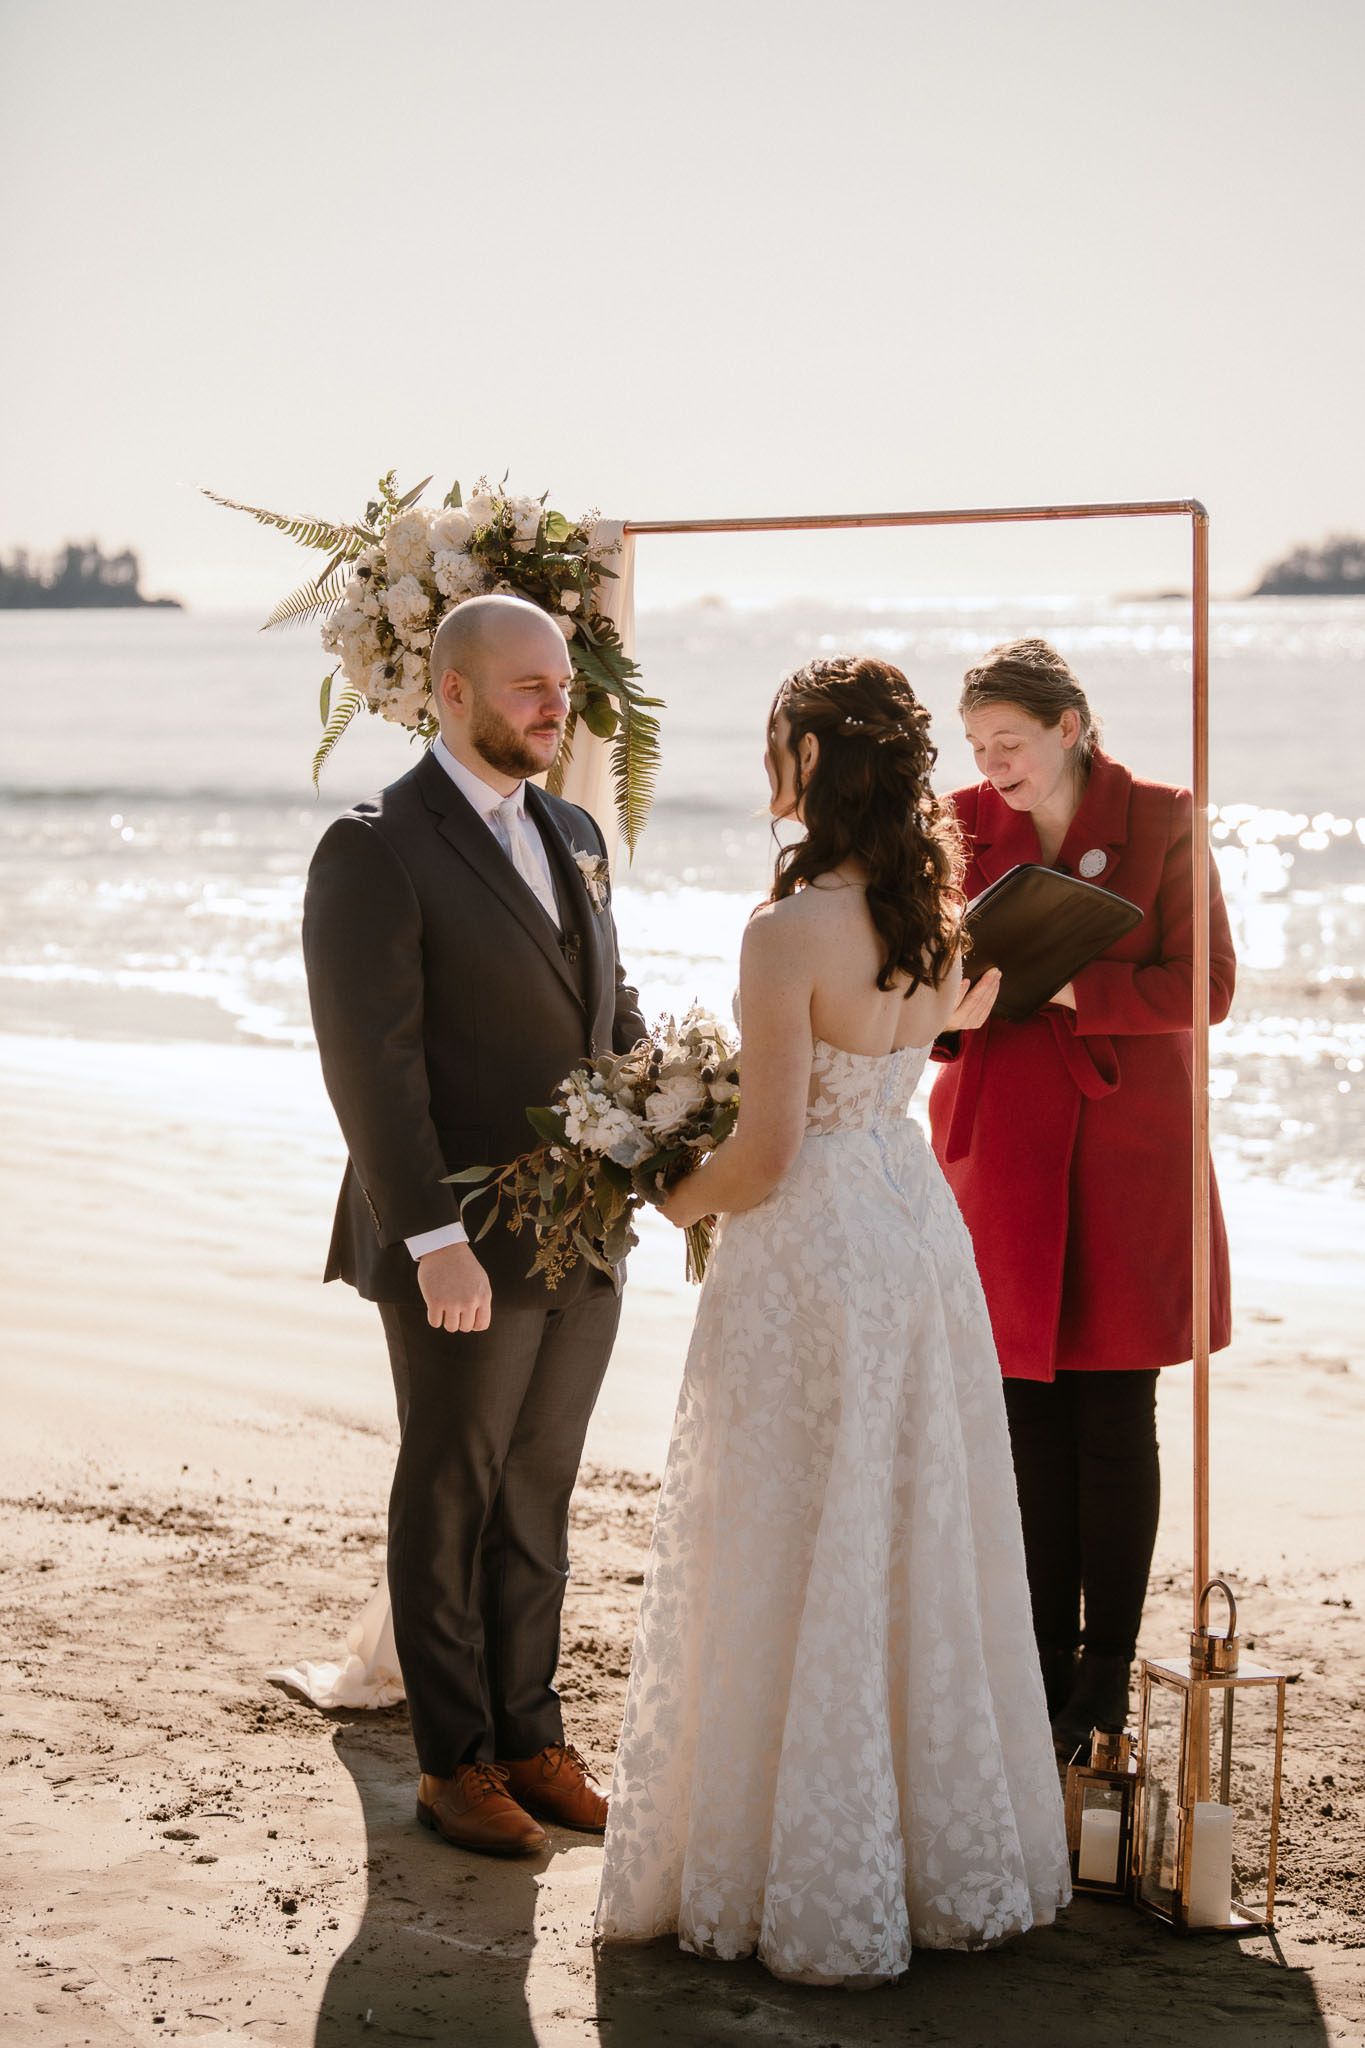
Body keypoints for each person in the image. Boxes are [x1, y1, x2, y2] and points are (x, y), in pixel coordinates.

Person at [594, 655, 1069, 1987]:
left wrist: (668, 1196)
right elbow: (938, 1041)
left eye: (774, 749)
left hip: (808, 1251)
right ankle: (928, 1858)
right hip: (915, 1235)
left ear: (808, 766)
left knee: (787, 1525)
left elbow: (767, 1154)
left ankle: (792, 1866)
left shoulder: (785, 931)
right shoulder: (941, 920)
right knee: (910, 1525)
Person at [303, 594, 646, 1857]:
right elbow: (369, 1062)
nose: (556, 704)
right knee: (451, 1490)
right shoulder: (375, 844)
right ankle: (453, 1762)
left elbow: (609, 1003)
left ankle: (529, 1733)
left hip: (582, 1232)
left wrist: (667, 1103)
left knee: (541, 1494)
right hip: (458, 1234)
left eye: (561, 683)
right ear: (450, 691)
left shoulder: (574, 827)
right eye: (526, 686)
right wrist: (431, 1236)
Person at [927, 637, 1236, 1759]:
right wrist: (953, 1001)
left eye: (1010, 741)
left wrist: (1060, 983)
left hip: (1128, 1153)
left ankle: (1104, 1679)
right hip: (997, 1150)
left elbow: (1206, 985)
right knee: (1020, 1421)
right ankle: (1036, 1664)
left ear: (1071, 725)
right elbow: (923, 998)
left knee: (1114, 1412)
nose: (993, 765)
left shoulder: (1162, 816)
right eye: (978, 746)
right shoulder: (955, 823)